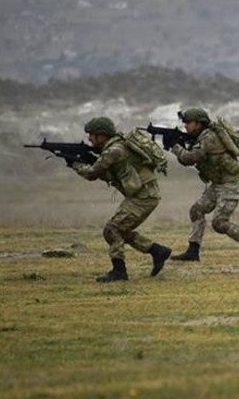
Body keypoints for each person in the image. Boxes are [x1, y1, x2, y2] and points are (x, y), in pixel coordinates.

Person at [72, 117, 172, 282]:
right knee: (120, 230)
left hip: (144, 197)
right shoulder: (115, 146)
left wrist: (75, 164)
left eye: (92, 135)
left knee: (112, 230)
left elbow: (91, 174)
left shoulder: (114, 150)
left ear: (103, 135)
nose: (89, 138)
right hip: (144, 195)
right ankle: (157, 251)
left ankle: (119, 272)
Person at [168, 107, 239, 262]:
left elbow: (190, 158)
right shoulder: (201, 136)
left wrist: (174, 147)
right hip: (218, 182)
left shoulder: (208, 138)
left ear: (199, 124)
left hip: (232, 183)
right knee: (197, 211)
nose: (185, 125)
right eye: (184, 122)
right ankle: (193, 251)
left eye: (188, 122)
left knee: (219, 223)